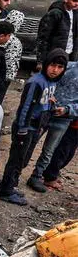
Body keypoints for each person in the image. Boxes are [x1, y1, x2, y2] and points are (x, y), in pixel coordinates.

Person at [0, 49, 67, 205]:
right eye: (52, 65)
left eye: (59, 67)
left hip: (36, 127)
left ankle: (11, 185)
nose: (55, 70)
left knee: (24, 159)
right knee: (16, 159)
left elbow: (44, 101)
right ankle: (6, 191)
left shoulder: (51, 82)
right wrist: (22, 129)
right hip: (26, 127)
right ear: (46, 64)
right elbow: (25, 108)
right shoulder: (36, 82)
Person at [28, 59, 78, 192]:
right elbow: (47, 79)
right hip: (45, 112)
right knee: (30, 143)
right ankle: (15, 174)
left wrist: (67, 109)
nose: (56, 69)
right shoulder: (68, 67)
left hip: (64, 118)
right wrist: (47, 96)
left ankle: (36, 176)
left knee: (49, 150)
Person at [35, 0, 78, 69]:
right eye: (74, 1)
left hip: (70, 56)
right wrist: (41, 61)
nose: (77, 4)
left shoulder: (75, 13)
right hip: (54, 56)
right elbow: (43, 37)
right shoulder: (55, 13)